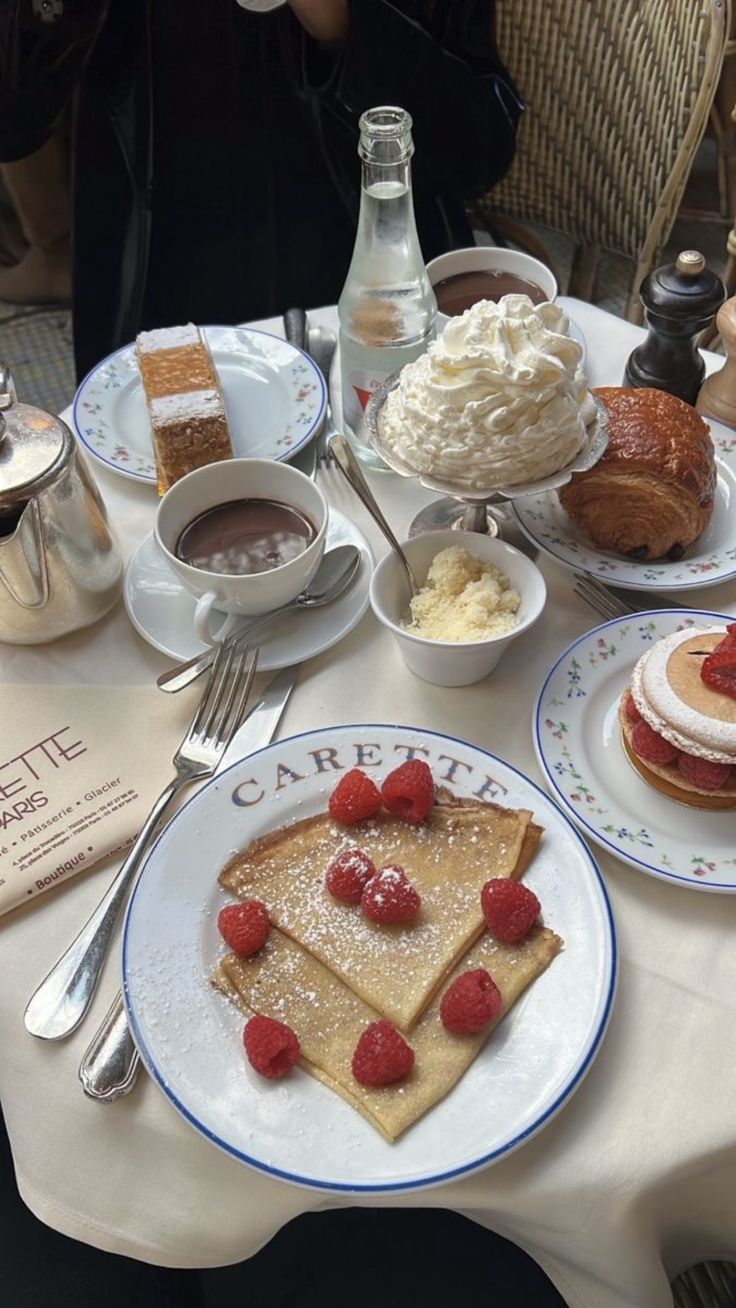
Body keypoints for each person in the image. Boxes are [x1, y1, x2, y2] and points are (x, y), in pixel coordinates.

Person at [0, 0, 522, 378]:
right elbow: (14, 125)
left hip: (376, 305)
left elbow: (478, 154)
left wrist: (343, 22)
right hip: (158, 306)